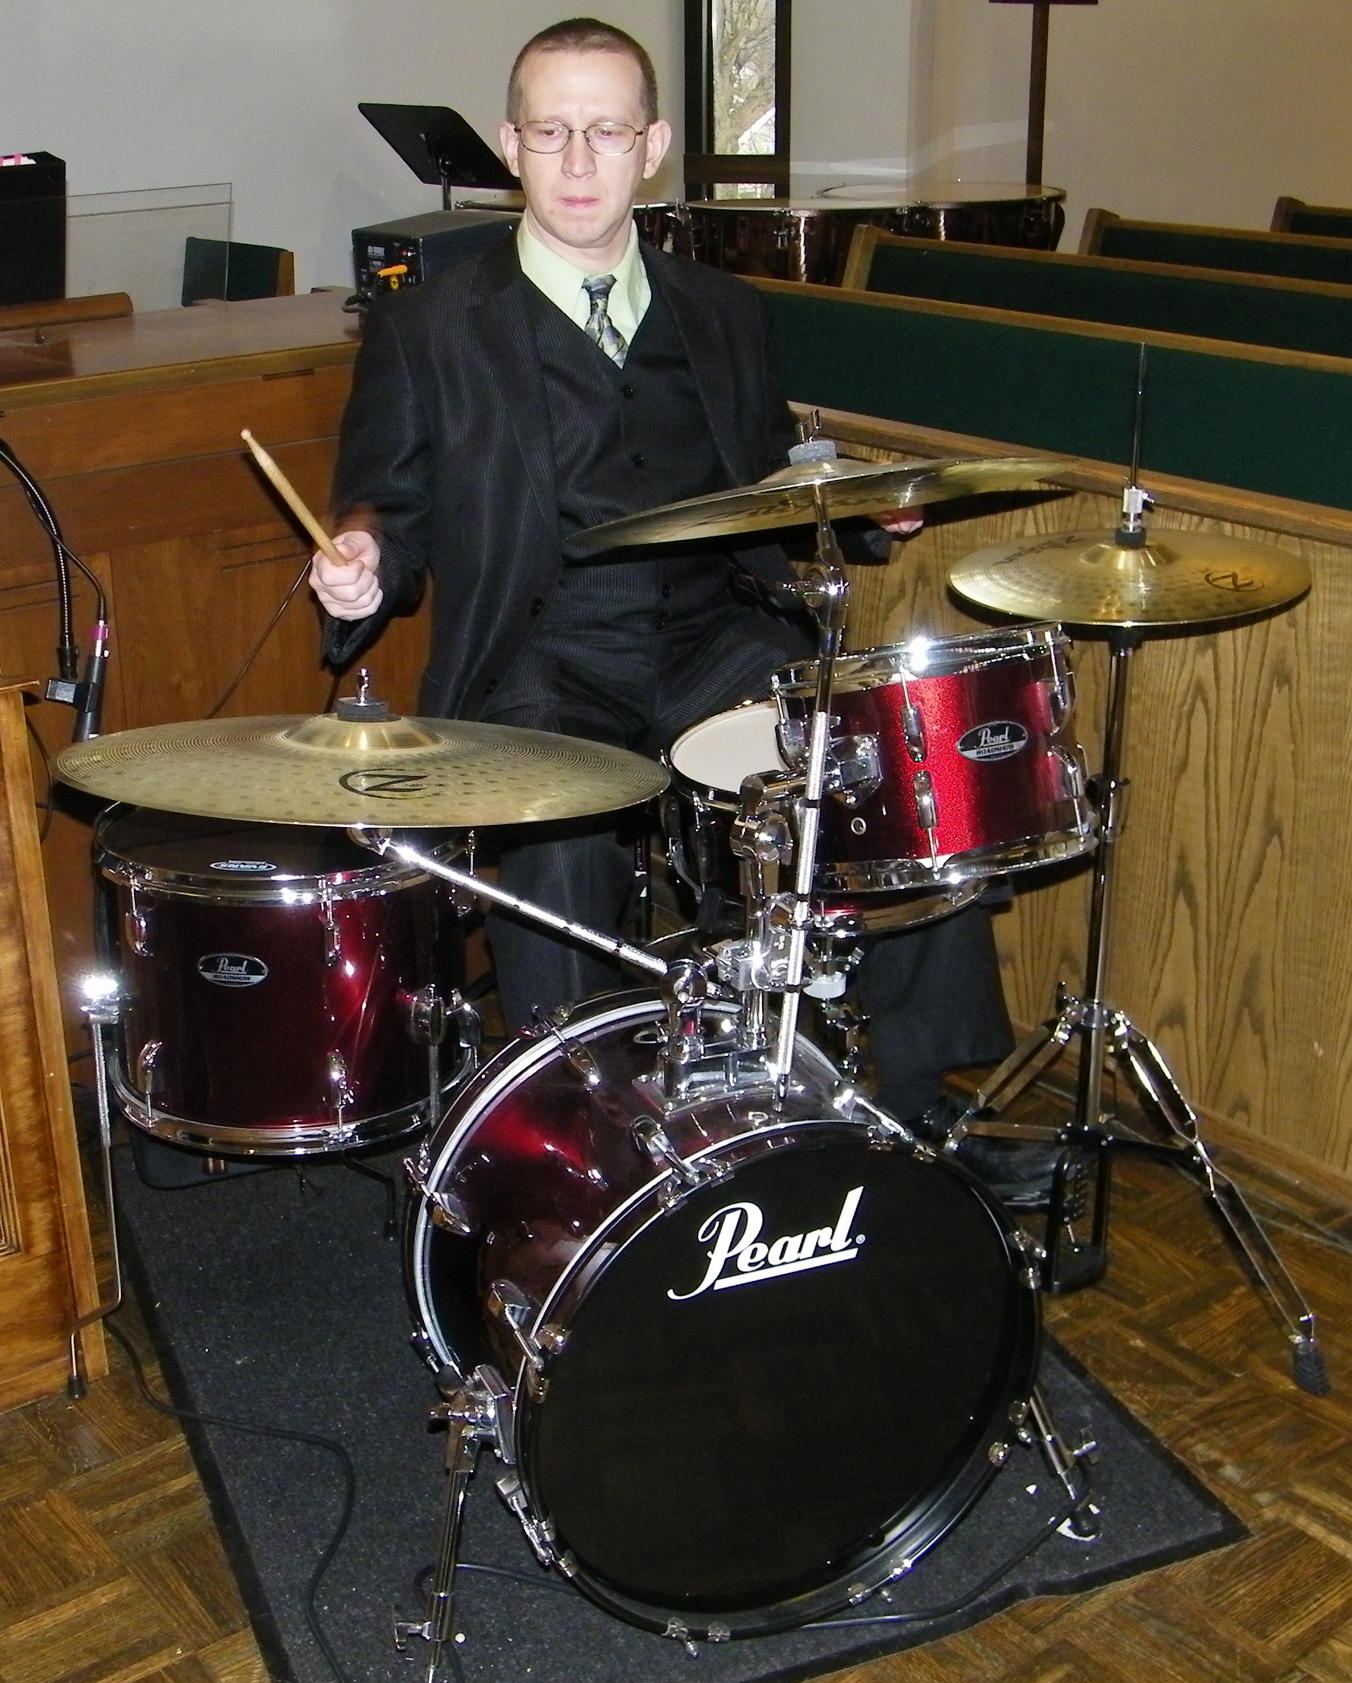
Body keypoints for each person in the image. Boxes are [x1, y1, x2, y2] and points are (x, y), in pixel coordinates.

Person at [310, 16, 1057, 1201]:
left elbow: (766, 484)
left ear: (651, 146)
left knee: (868, 764)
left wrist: (864, 515)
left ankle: (914, 1107)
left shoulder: (723, 310)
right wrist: (360, 562)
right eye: (550, 132)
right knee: (552, 841)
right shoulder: (428, 324)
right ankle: (573, 1140)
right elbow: (386, 509)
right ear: (510, 143)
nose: (577, 161)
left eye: (606, 133)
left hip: (712, 637)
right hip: (542, 653)